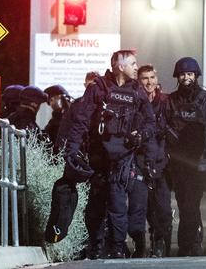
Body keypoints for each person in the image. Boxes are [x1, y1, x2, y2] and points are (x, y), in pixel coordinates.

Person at [64, 50, 158, 259]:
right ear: (119, 66)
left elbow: (151, 123)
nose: (136, 67)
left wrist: (140, 136)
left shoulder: (137, 91)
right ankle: (96, 245)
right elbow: (81, 120)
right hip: (99, 156)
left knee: (117, 203)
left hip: (123, 157)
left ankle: (117, 246)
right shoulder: (99, 88)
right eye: (132, 64)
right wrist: (72, 151)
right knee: (96, 203)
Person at [163, 57, 206, 256]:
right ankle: (188, 244)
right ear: (177, 76)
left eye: (189, 74)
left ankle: (192, 243)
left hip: (200, 161)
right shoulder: (170, 101)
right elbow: (162, 127)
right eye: (182, 74)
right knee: (184, 202)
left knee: (192, 203)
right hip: (178, 162)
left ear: (196, 76)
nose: (186, 77)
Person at [133, 64, 173, 257]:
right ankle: (150, 243)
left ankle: (161, 241)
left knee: (164, 208)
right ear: (138, 81)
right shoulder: (135, 102)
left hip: (162, 163)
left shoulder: (166, 102)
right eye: (144, 78)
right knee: (146, 208)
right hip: (141, 163)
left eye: (151, 77)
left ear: (157, 79)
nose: (149, 82)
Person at [43, 84, 72, 155]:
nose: (51, 105)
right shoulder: (74, 112)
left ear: (59, 98)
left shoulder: (60, 117)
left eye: (51, 100)